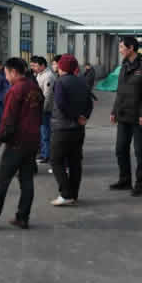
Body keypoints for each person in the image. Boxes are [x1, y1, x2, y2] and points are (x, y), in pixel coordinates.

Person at [0, 58, 44, 230]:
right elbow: (38, 114)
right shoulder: (34, 88)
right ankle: (22, 218)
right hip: (32, 141)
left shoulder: (15, 91)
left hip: (16, 143)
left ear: (13, 72)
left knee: (1, 182)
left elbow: (8, 121)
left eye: (6, 73)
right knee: (26, 180)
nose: (5, 77)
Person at [109, 36, 142, 196]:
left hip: (138, 117)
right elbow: (120, 91)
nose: (120, 50)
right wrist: (114, 111)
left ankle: (140, 185)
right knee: (120, 149)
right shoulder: (124, 64)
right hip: (123, 115)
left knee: (140, 152)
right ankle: (125, 180)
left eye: (122, 47)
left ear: (131, 48)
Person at [50, 54, 93, 206]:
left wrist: (75, 117)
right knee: (75, 162)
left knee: (56, 160)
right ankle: (73, 194)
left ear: (61, 67)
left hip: (62, 128)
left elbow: (61, 104)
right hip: (78, 129)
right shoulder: (82, 81)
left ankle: (66, 194)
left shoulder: (60, 82)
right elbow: (89, 103)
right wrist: (83, 117)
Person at [33, 56, 56, 164]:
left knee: (45, 133)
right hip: (40, 108)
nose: (34, 68)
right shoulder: (40, 74)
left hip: (45, 110)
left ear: (42, 65)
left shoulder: (48, 76)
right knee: (43, 132)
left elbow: (47, 95)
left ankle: (46, 155)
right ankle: (44, 153)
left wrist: (43, 109)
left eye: (36, 66)